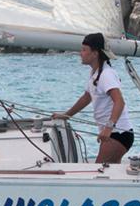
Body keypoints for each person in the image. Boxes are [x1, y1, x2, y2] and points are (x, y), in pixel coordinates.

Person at [54, 33, 134, 163]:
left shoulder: (106, 74)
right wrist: (66, 115)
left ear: (95, 53)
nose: (81, 53)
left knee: (99, 172)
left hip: (118, 133)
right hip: (114, 133)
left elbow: (119, 102)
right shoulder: (95, 73)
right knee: (109, 175)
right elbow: (86, 97)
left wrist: (108, 128)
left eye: (84, 50)